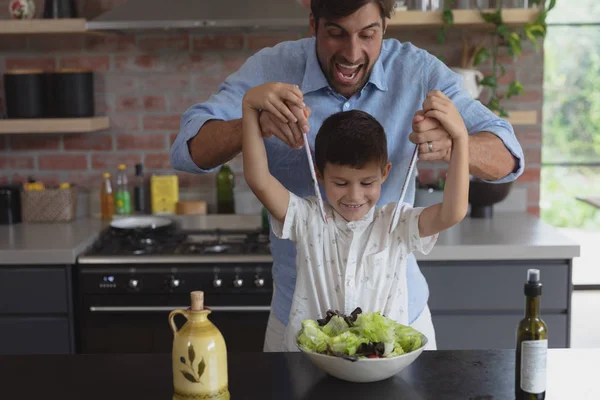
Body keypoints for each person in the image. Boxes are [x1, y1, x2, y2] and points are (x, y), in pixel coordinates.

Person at [170, 0, 524, 351]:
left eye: (368, 34)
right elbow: (187, 150)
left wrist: (455, 142)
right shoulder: (272, 70)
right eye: (336, 34)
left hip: (399, 325)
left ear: (385, 26)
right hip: (300, 326)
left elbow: (507, 157)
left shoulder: (419, 74)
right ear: (314, 23)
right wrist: (254, 120)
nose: (352, 53)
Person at [241, 82, 469, 351]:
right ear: (320, 174)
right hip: (312, 365)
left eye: (366, 182)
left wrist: (461, 139)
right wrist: (249, 107)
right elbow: (259, 180)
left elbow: (453, 212)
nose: (354, 195)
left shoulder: (397, 223)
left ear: (385, 173)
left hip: (380, 368)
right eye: (340, 183)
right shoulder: (307, 218)